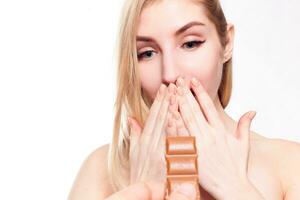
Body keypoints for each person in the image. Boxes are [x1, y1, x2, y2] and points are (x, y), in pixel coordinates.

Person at [68, 0, 300, 199]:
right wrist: (141, 191)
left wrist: (235, 188)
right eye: (147, 53)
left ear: (226, 43)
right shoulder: (101, 169)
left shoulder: (289, 165)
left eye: (190, 44)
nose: (169, 74)